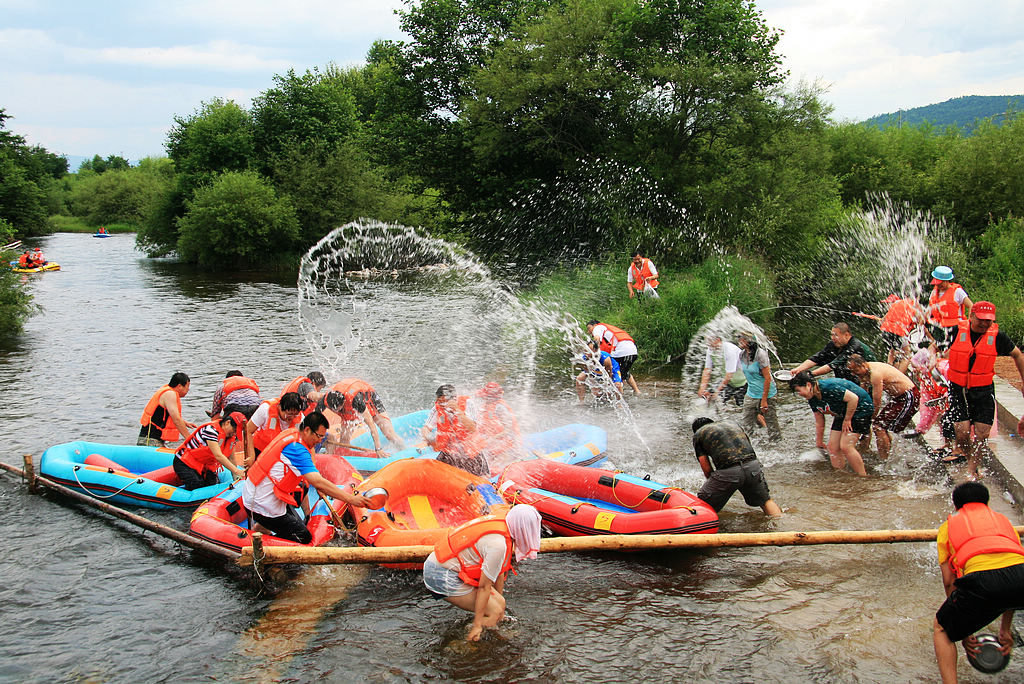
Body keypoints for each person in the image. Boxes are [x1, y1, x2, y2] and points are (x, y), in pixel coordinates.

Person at [933, 481, 1024, 683]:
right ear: (987, 503)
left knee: (941, 628)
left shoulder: (949, 526)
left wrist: (963, 631)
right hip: (1022, 574)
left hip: (984, 581)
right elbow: (1011, 573)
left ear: (956, 506)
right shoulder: (1004, 522)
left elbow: (949, 581)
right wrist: (1005, 630)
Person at [242, 412, 371, 544]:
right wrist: (351, 499)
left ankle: (260, 528)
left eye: (323, 437)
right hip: (260, 503)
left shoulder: (292, 434)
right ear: (307, 430)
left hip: (258, 493)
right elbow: (317, 481)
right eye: (319, 436)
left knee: (301, 498)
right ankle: (266, 547)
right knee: (303, 537)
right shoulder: (296, 449)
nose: (320, 441)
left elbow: (312, 474)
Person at [422, 504, 542, 641]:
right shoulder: (498, 545)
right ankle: (466, 640)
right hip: (440, 575)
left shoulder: (504, 525)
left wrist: (499, 609)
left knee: (499, 605)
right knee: (495, 611)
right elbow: (484, 587)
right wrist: (478, 624)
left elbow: (499, 572)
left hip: (443, 564)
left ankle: (488, 626)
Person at [945, 301, 1024, 479]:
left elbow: (1017, 355)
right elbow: (936, 345)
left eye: (988, 321)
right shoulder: (956, 331)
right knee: (962, 432)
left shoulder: (997, 337)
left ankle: (973, 469)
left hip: (983, 389)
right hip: (959, 389)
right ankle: (967, 455)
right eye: (981, 319)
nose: (984, 324)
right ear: (971, 316)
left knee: (982, 432)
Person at [690, 417, 782, 517]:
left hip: (728, 470)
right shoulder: (731, 423)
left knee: (703, 503)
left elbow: (707, 468)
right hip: (752, 465)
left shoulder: (699, 434)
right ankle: (780, 523)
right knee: (765, 501)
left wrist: (715, 485)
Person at [789, 371, 873, 476]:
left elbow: (853, 398)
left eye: (798, 390)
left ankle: (863, 476)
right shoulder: (812, 398)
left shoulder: (828, 388)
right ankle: (841, 475)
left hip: (861, 408)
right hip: (843, 411)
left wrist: (847, 420)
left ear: (808, 385)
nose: (799, 394)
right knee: (832, 448)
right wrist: (819, 441)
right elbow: (819, 420)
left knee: (846, 446)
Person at [845, 354, 919, 460]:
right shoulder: (863, 373)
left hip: (909, 396)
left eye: (855, 370)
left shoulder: (875, 374)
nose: (854, 374)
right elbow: (863, 394)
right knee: (880, 425)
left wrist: (870, 418)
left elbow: (877, 401)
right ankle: (889, 456)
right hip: (899, 399)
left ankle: (885, 460)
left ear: (863, 365)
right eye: (851, 371)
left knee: (878, 426)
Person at [421, 384, 488, 476]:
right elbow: (426, 428)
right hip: (449, 452)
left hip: (470, 452)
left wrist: (457, 411)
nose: (441, 405)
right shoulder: (437, 408)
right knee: (435, 475)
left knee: (481, 479)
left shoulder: (467, 403)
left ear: (454, 399)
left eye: (444, 402)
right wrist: (428, 437)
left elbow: (472, 428)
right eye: (439, 401)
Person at [324, 378, 404, 454]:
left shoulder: (356, 401)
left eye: (338, 409)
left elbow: (371, 425)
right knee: (344, 440)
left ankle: (403, 449)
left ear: (343, 402)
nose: (336, 412)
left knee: (389, 434)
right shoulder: (325, 399)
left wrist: (378, 448)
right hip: (348, 402)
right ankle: (345, 457)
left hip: (369, 398)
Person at [173, 412, 246, 490]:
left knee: (213, 484)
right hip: (185, 463)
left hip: (205, 465)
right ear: (227, 423)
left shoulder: (231, 437)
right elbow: (218, 455)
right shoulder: (211, 430)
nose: (234, 433)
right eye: (234, 430)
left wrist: (236, 477)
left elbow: (231, 458)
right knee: (197, 484)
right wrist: (237, 470)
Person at [789, 322, 876, 383]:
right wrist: (798, 369)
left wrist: (810, 374)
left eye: (836, 335)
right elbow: (817, 357)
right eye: (831, 334)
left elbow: (833, 365)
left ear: (846, 335)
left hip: (869, 380)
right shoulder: (834, 344)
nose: (833, 338)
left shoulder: (855, 346)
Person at [736, 331, 782, 441]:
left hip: (768, 394)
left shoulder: (760, 355)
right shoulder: (741, 354)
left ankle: (776, 446)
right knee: (746, 424)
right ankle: (749, 445)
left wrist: (764, 400)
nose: (739, 340)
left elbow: (768, 378)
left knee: (772, 426)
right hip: (751, 394)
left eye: (741, 338)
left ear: (748, 341)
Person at [468, 382, 524, 470]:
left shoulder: (500, 407)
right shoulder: (486, 406)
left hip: (507, 447)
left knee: (495, 468)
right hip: (494, 446)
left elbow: (508, 429)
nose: (483, 398)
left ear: (491, 397)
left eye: (486, 396)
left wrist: (492, 438)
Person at [244, 392, 304, 467]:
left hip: (283, 455)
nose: (291, 418)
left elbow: (304, 442)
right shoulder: (265, 409)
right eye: (288, 415)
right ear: (279, 407)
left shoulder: (301, 418)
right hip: (261, 450)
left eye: (295, 415)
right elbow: (248, 430)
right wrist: (251, 456)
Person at [138, 372, 196, 447]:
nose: (188, 390)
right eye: (187, 386)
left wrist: (184, 422)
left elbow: (162, 414)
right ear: (179, 386)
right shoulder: (170, 394)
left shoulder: (167, 391)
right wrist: (191, 440)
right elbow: (176, 420)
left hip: (150, 439)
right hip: (150, 440)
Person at [587, 319, 641, 395]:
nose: (588, 332)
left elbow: (597, 339)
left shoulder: (598, 328)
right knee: (623, 372)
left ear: (595, 325)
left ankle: (615, 397)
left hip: (622, 351)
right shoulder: (607, 329)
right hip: (632, 351)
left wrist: (595, 354)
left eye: (589, 328)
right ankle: (637, 392)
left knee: (615, 373)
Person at [877, 294, 929, 372]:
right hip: (897, 332)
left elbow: (882, 320)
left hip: (885, 332)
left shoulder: (897, 303)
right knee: (907, 356)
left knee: (892, 350)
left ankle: (888, 368)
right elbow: (921, 320)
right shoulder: (913, 305)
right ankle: (899, 377)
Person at [927, 266, 973, 352]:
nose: (938, 285)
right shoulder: (934, 292)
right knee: (935, 348)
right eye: (936, 283)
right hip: (940, 327)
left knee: (950, 350)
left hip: (956, 327)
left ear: (946, 281)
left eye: (940, 283)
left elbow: (971, 305)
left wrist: (969, 323)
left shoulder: (957, 292)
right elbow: (930, 310)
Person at [697, 335, 746, 407]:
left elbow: (729, 374)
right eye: (707, 341)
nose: (708, 343)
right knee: (711, 398)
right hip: (729, 382)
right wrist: (702, 387)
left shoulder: (729, 350)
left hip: (743, 382)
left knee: (742, 407)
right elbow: (707, 369)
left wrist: (717, 391)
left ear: (718, 339)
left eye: (710, 341)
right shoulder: (710, 350)